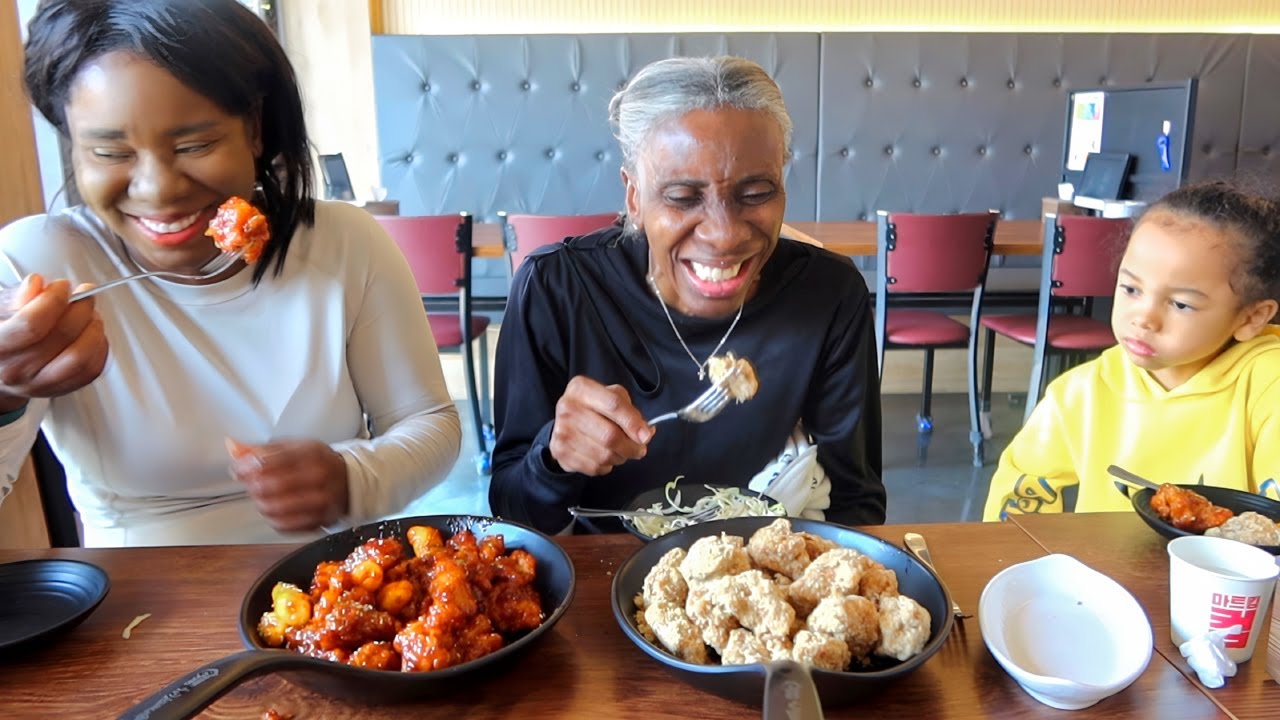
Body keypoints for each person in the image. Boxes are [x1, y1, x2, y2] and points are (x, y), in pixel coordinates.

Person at [0, 0, 461, 546]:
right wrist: (4, 397)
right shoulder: (38, 262)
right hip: (138, 599)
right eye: (108, 151)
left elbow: (430, 423)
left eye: (194, 145)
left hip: (334, 583)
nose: (158, 189)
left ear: (256, 130)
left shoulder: (343, 243)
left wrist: (352, 476)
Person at [488, 56, 885, 535]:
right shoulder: (557, 288)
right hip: (607, 577)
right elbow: (511, 512)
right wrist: (553, 457)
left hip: (770, 576)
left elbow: (855, 502)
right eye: (682, 197)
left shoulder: (828, 295)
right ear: (634, 195)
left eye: (756, 193)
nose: (723, 235)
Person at [984, 181, 1280, 520]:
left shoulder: (1269, 385)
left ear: (1251, 317)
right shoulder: (1083, 392)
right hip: (1108, 571)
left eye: (1181, 304)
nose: (1144, 318)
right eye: (1130, 288)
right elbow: (1020, 488)